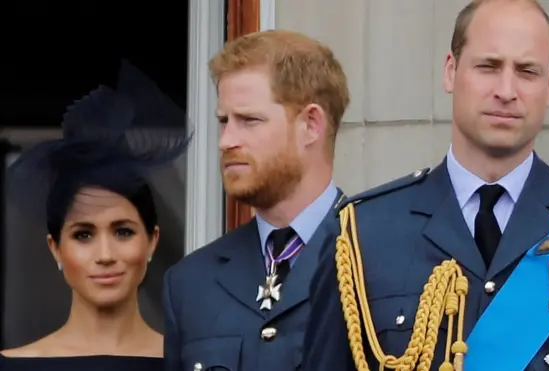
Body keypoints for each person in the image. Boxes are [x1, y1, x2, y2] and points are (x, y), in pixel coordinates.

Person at [303, 0, 549, 370]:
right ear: (450, 71)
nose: (506, 90)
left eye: (527, 71)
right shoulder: (361, 235)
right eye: (488, 66)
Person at [162, 29, 350, 371]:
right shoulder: (191, 283)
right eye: (223, 121)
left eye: (249, 120)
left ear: (311, 124)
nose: (226, 140)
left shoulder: (380, 257)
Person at [0, 61, 191, 371]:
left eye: (123, 232)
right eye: (83, 235)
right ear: (55, 248)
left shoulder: (190, 364)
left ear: (152, 240)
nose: (105, 255)